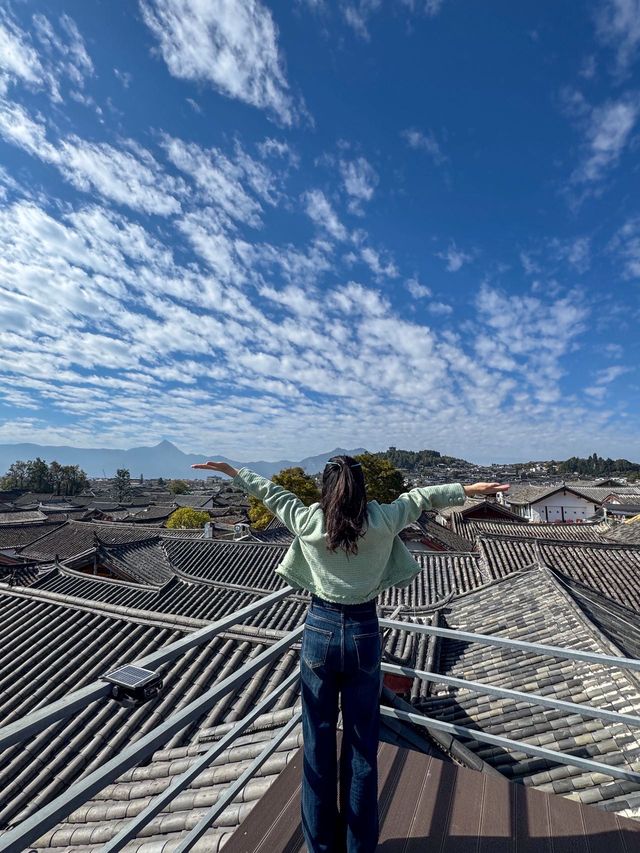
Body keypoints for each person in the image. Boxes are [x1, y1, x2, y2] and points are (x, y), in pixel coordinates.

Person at [192, 456, 509, 852]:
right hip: (364, 632)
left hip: (319, 631)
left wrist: (233, 472)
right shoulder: (384, 520)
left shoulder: (309, 520)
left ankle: (321, 846)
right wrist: (467, 490)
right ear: (362, 489)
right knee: (362, 747)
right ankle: (360, 847)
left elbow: (270, 494)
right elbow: (422, 497)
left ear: (326, 488)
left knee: (317, 743)